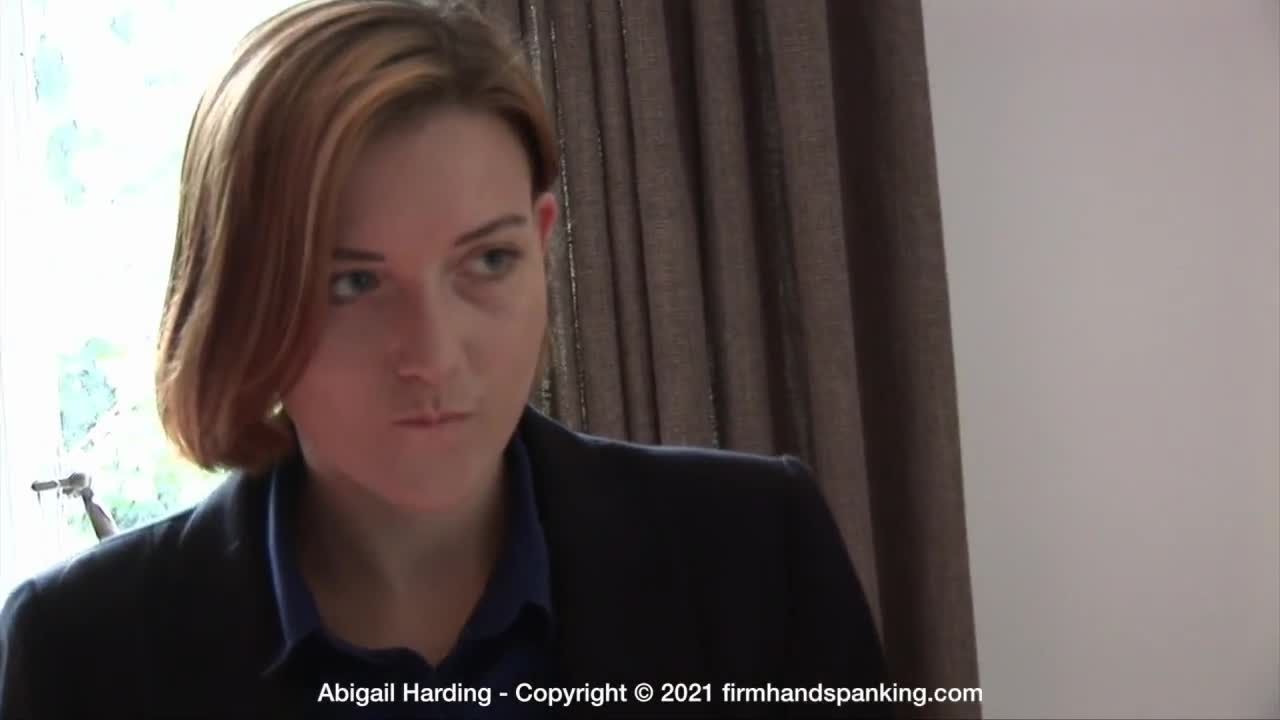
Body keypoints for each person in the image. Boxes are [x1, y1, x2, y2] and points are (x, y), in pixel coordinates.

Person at [0, 0, 887, 717]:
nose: (431, 355)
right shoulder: (77, 651)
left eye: (488, 261)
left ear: (542, 241)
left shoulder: (756, 555)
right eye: (353, 283)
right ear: (241, 300)